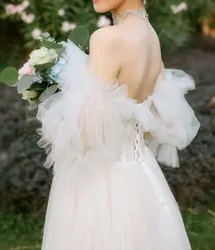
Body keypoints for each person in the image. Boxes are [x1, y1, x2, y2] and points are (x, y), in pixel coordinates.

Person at [37, 0, 200, 249]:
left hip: (100, 177)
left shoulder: (106, 39)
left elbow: (88, 130)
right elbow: (154, 118)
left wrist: (56, 113)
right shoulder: (150, 35)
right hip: (141, 171)